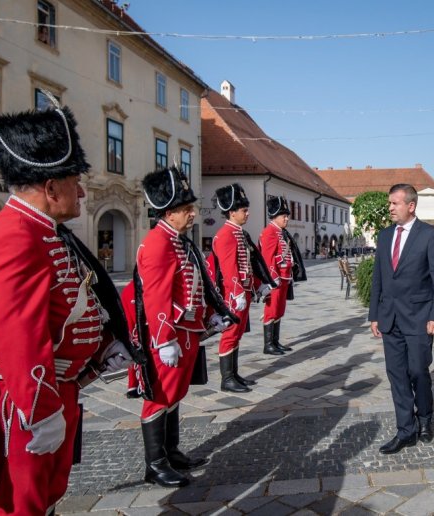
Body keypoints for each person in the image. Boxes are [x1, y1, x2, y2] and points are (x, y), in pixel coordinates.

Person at [0, 97, 133, 514]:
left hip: (59, 386)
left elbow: (67, 302)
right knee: (19, 501)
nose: (81, 191)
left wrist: (102, 346)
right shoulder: (14, 236)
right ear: (51, 186)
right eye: (75, 181)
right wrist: (39, 409)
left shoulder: (44, 230)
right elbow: (18, 333)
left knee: (45, 494)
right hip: (24, 395)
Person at [121, 166, 238, 487]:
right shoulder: (158, 243)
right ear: (169, 213)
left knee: (175, 393)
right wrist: (163, 340)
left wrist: (208, 317)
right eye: (186, 209)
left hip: (186, 331)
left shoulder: (178, 242)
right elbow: (157, 296)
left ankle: (171, 452)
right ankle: (155, 464)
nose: (192, 214)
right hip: (169, 334)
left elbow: (193, 287)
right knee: (159, 395)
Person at [368, 184, 434, 454]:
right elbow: (378, 278)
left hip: (419, 318)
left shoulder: (429, 235)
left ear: (411, 206)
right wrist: (375, 316)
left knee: (417, 371)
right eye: (390, 203)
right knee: (397, 376)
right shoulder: (384, 235)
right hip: (389, 319)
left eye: (395, 203)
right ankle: (406, 429)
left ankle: (425, 417)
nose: (390, 208)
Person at [206, 183, 276, 393]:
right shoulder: (226, 235)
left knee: (237, 335)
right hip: (232, 294)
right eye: (244, 210)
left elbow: (248, 265)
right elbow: (230, 270)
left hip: (243, 292)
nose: (247, 213)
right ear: (232, 212)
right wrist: (236, 293)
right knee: (230, 334)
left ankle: (234, 374)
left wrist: (257, 285)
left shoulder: (238, 233)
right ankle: (227, 378)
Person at [259, 195, 306, 355]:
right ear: (275, 216)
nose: (286, 218)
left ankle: (275, 341)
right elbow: (268, 258)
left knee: (279, 310)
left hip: (285, 277)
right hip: (276, 279)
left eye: (287, 215)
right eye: (283, 216)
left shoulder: (281, 232)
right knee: (271, 311)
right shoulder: (269, 232)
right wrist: (273, 279)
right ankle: (268, 344)